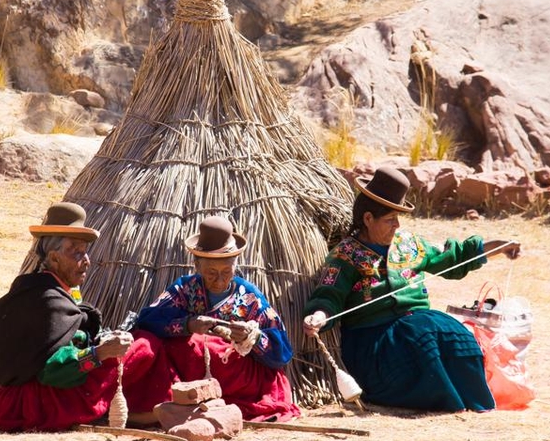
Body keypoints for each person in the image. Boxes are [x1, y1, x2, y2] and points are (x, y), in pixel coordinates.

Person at [302, 167, 520, 412]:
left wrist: (498, 247)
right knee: (422, 342)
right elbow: (329, 295)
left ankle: (473, 402)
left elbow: (451, 259)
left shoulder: (408, 243)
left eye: (398, 218)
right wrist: (319, 317)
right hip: (375, 339)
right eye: (389, 219)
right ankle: (447, 403)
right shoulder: (345, 255)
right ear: (367, 218)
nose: (396, 225)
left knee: (458, 337)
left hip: (417, 324)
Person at [0, 202, 175, 432]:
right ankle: (148, 409)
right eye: (76, 252)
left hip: (25, 392)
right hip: (51, 398)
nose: (86, 260)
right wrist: (101, 352)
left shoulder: (35, 290)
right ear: (54, 258)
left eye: (85, 251)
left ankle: (137, 408)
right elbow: (51, 370)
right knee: (144, 344)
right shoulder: (48, 302)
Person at [134, 215, 301, 422]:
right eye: (211, 272)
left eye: (226, 271)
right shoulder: (185, 288)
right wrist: (187, 325)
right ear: (197, 266)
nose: (220, 280)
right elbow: (147, 319)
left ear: (235, 266)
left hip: (234, 376)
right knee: (165, 343)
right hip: (191, 370)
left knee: (209, 346)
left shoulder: (249, 297)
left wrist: (252, 338)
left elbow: (283, 352)